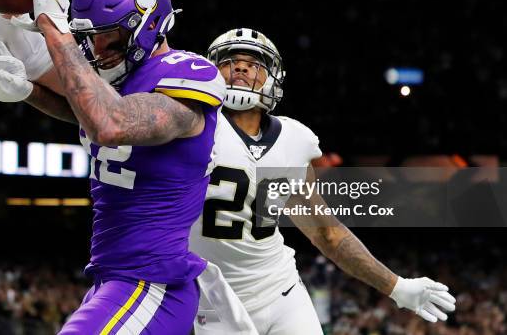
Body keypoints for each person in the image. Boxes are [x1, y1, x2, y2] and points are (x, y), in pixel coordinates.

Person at [0, 0, 233, 334]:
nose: (96, 49)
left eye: (108, 35)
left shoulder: (191, 73)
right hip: (114, 280)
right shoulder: (116, 78)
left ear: (148, 22)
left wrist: (53, 26)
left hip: (153, 283)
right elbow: (69, 94)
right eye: (89, 37)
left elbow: (111, 124)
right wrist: (13, 15)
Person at [188, 28, 457, 334]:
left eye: (255, 63)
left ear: (273, 77)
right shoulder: (190, 125)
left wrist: (396, 286)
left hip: (280, 291)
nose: (241, 67)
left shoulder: (294, 139)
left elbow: (326, 233)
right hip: (210, 298)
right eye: (229, 61)